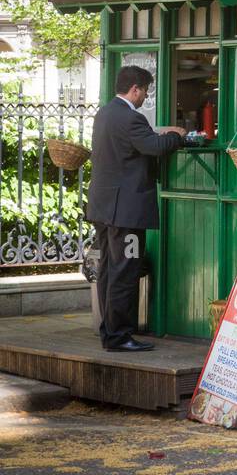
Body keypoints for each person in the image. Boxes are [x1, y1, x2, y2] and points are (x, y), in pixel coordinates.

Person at [86, 66, 186, 351]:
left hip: (104, 208)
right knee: (125, 271)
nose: (145, 97)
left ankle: (109, 332)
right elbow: (154, 147)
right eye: (145, 91)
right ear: (135, 89)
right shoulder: (132, 118)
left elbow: (137, 142)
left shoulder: (105, 113)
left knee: (108, 268)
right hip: (126, 212)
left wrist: (157, 132)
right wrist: (177, 135)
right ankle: (119, 337)